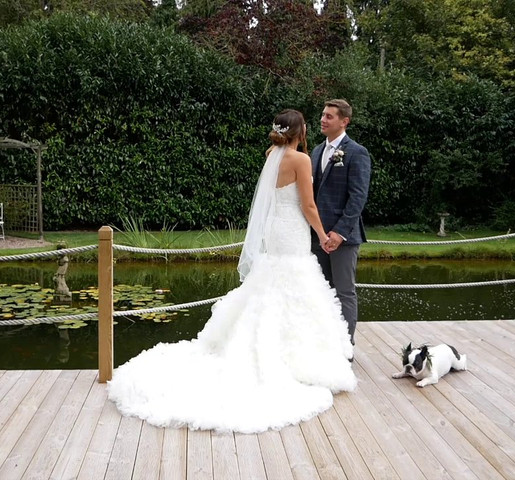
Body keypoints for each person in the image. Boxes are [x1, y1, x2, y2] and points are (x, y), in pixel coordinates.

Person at [107, 109, 356, 434]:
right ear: (300, 130)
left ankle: (267, 342)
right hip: (291, 229)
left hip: (274, 229)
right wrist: (323, 235)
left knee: (274, 281)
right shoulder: (300, 160)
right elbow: (308, 205)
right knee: (295, 280)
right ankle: (293, 354)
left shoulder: (273, 155)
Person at [311, 99, 372, 347]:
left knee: (344, 292)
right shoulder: (316, 151)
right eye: (323, 115)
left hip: (343, 238)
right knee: (320, 292)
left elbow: (358, 197)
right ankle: (325, 344)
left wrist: (339, 232)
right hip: (316, 236)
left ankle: (345, 346)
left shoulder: (357, 152)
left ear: (344, 121)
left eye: (329, 116)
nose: (323, 120)